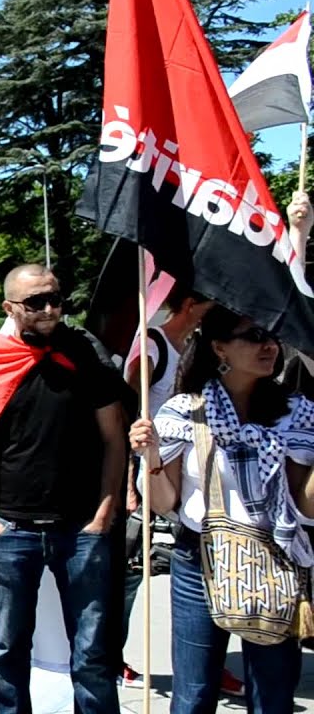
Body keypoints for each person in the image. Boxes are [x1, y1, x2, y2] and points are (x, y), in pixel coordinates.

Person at [0, 264, 126, 714]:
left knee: (92, 657)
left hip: (82, 531)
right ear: (10, 307)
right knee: (8, 653)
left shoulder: (87, 352)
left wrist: (104, 512)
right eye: (35, 302)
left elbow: (114, 437)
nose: (50, 309)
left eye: (56, 298)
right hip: (11, 531)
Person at [129, 306, 314, 714]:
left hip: (275, 561)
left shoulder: (296, 412)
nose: (269, 345)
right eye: (254, 336)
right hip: (199, 560)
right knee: (193, 695)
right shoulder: (184, 411)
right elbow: (164, 503)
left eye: (272, 337)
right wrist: (152, 455)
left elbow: (307, 505)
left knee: (273, 697)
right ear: (220, 348)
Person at [116, 286, 243, 692]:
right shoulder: (153, 345)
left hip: (180, 471)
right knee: (134, 569)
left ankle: (207, 661)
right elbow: (127, 410)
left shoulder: (190, 346)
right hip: (148, 469)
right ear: (191, 305)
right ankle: (112, 655)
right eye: (209, 306)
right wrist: (128, 484)